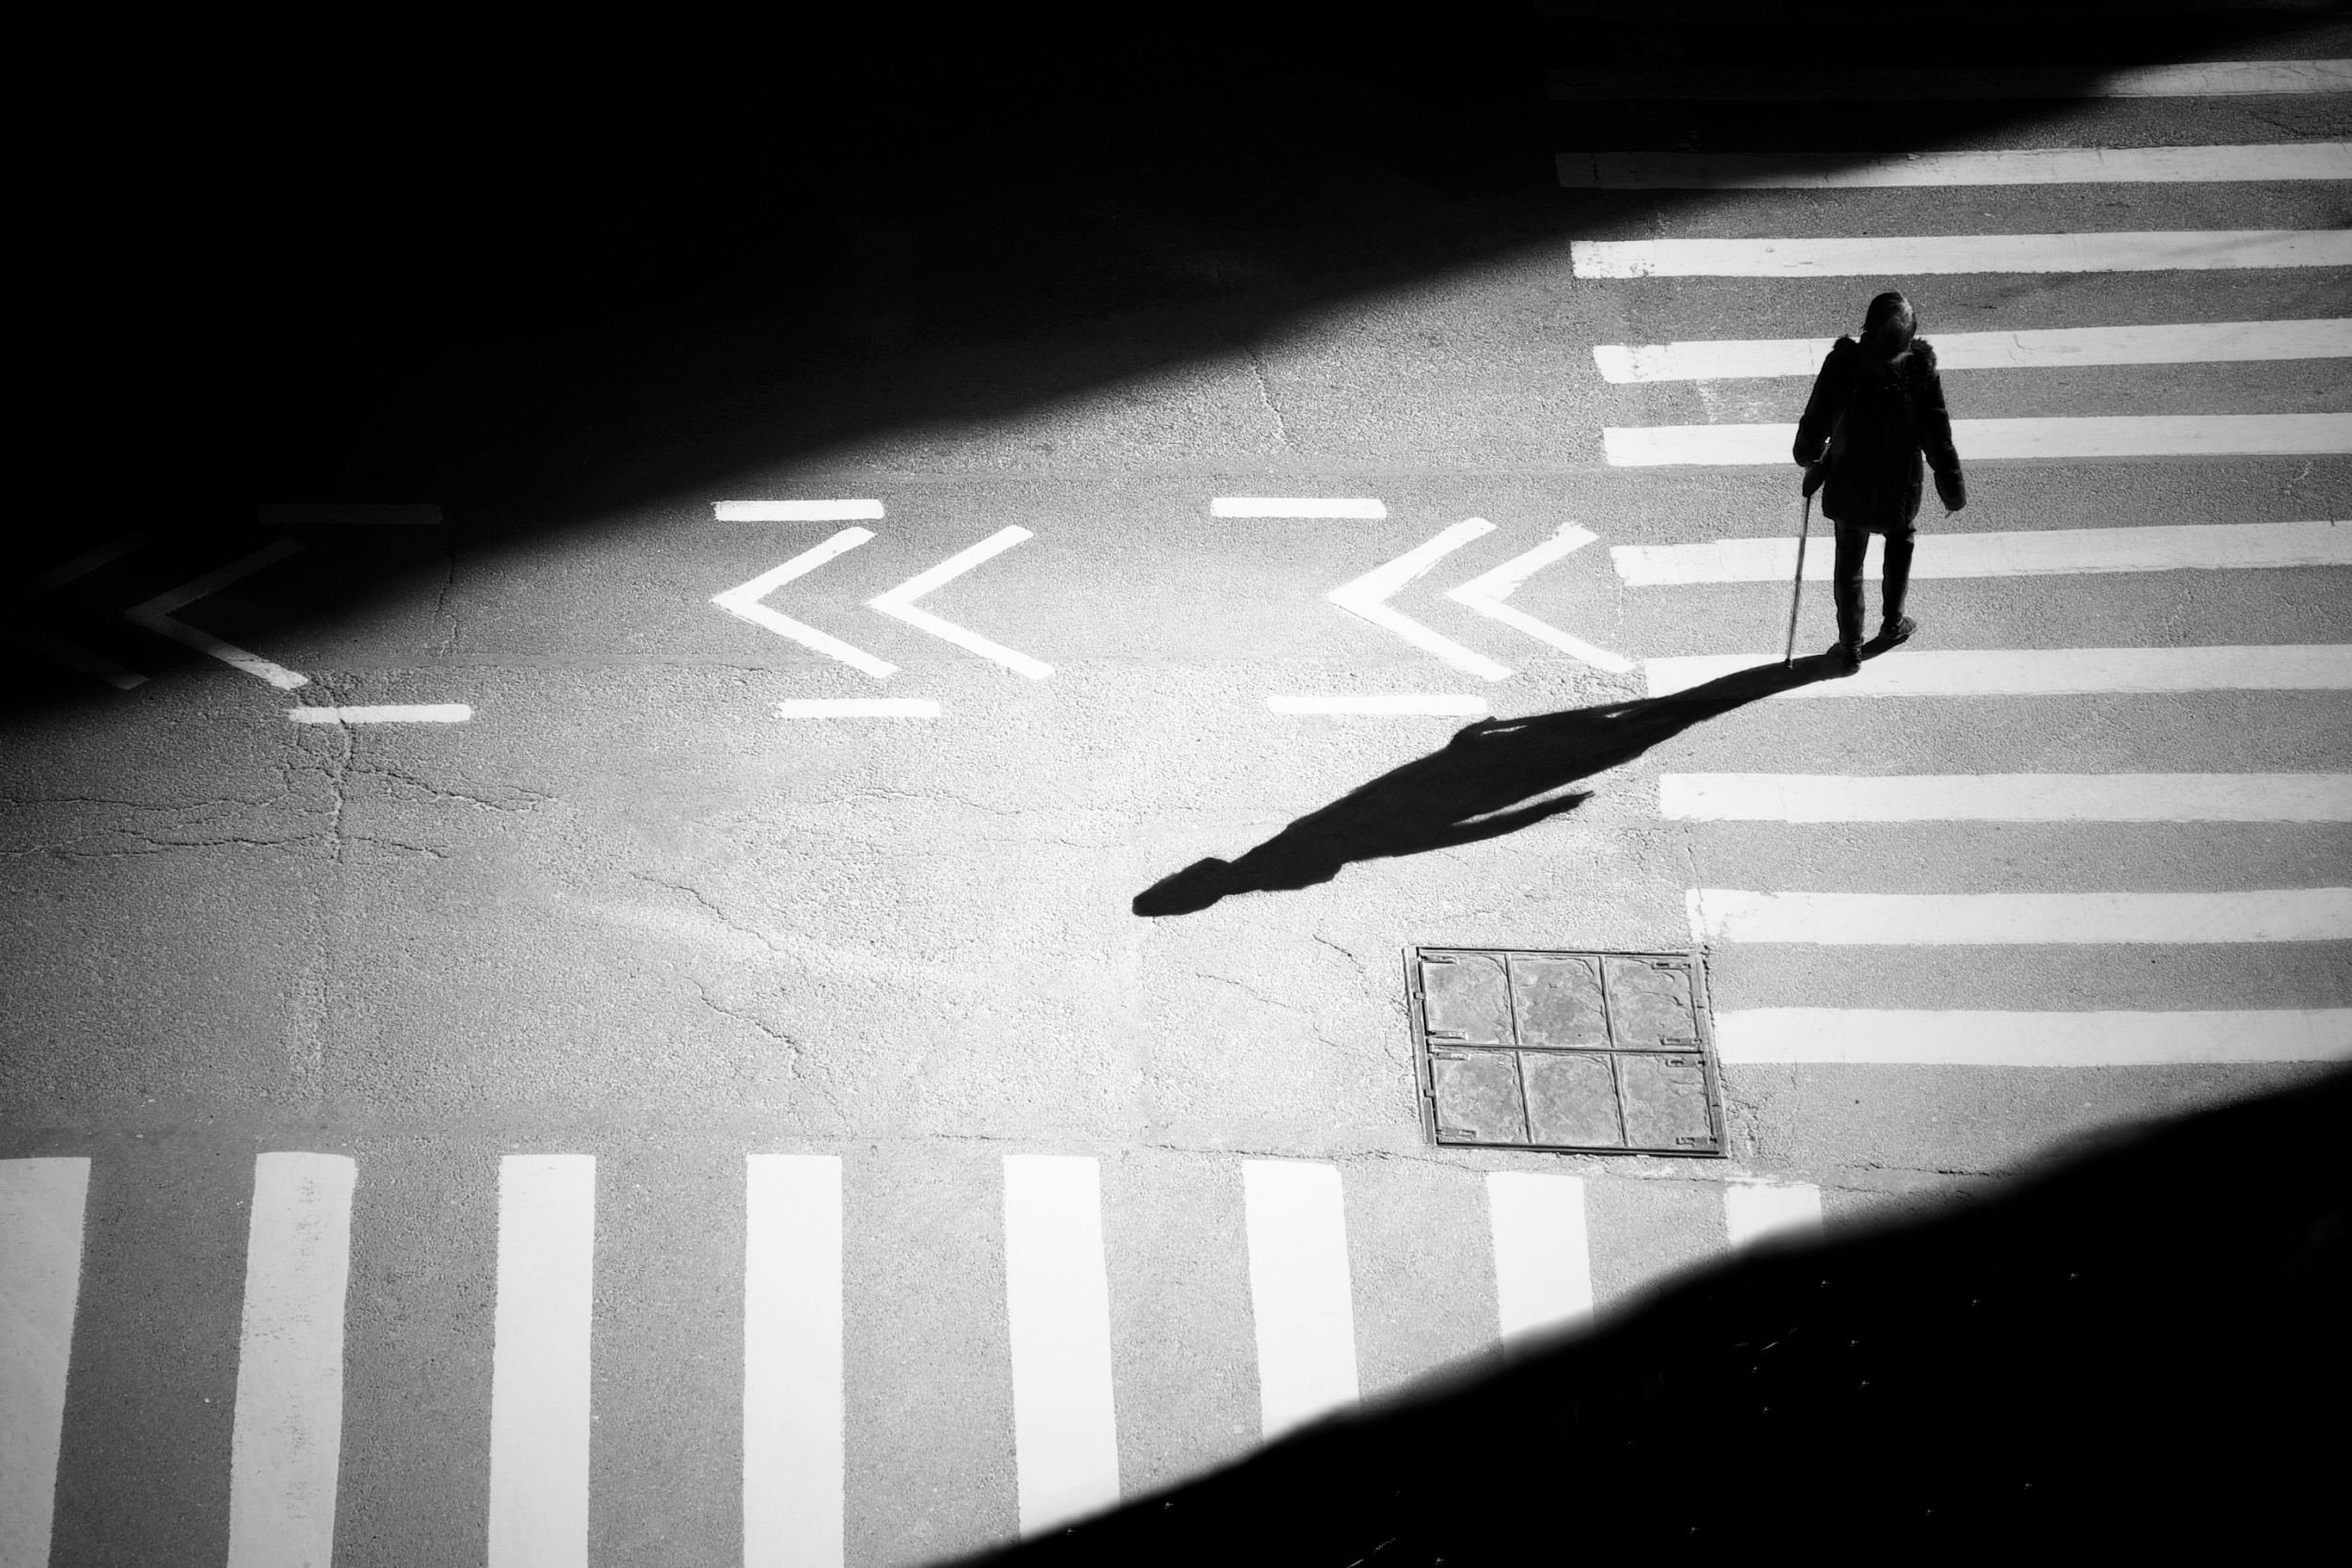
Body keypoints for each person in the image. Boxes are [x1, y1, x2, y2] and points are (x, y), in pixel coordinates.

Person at [1792, 291, 1965, 672]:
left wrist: (1806, 456)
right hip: (1898, 488)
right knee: (1900, 542)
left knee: (1849, 563)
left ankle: (1849, 646)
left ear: (1866, 327)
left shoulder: (1842, 365)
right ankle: (1893, 623)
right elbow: (1938, 440)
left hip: (1849, 483)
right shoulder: (1920, 373)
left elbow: (1815, 421)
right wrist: (1952, 494)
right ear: (1909, 338)